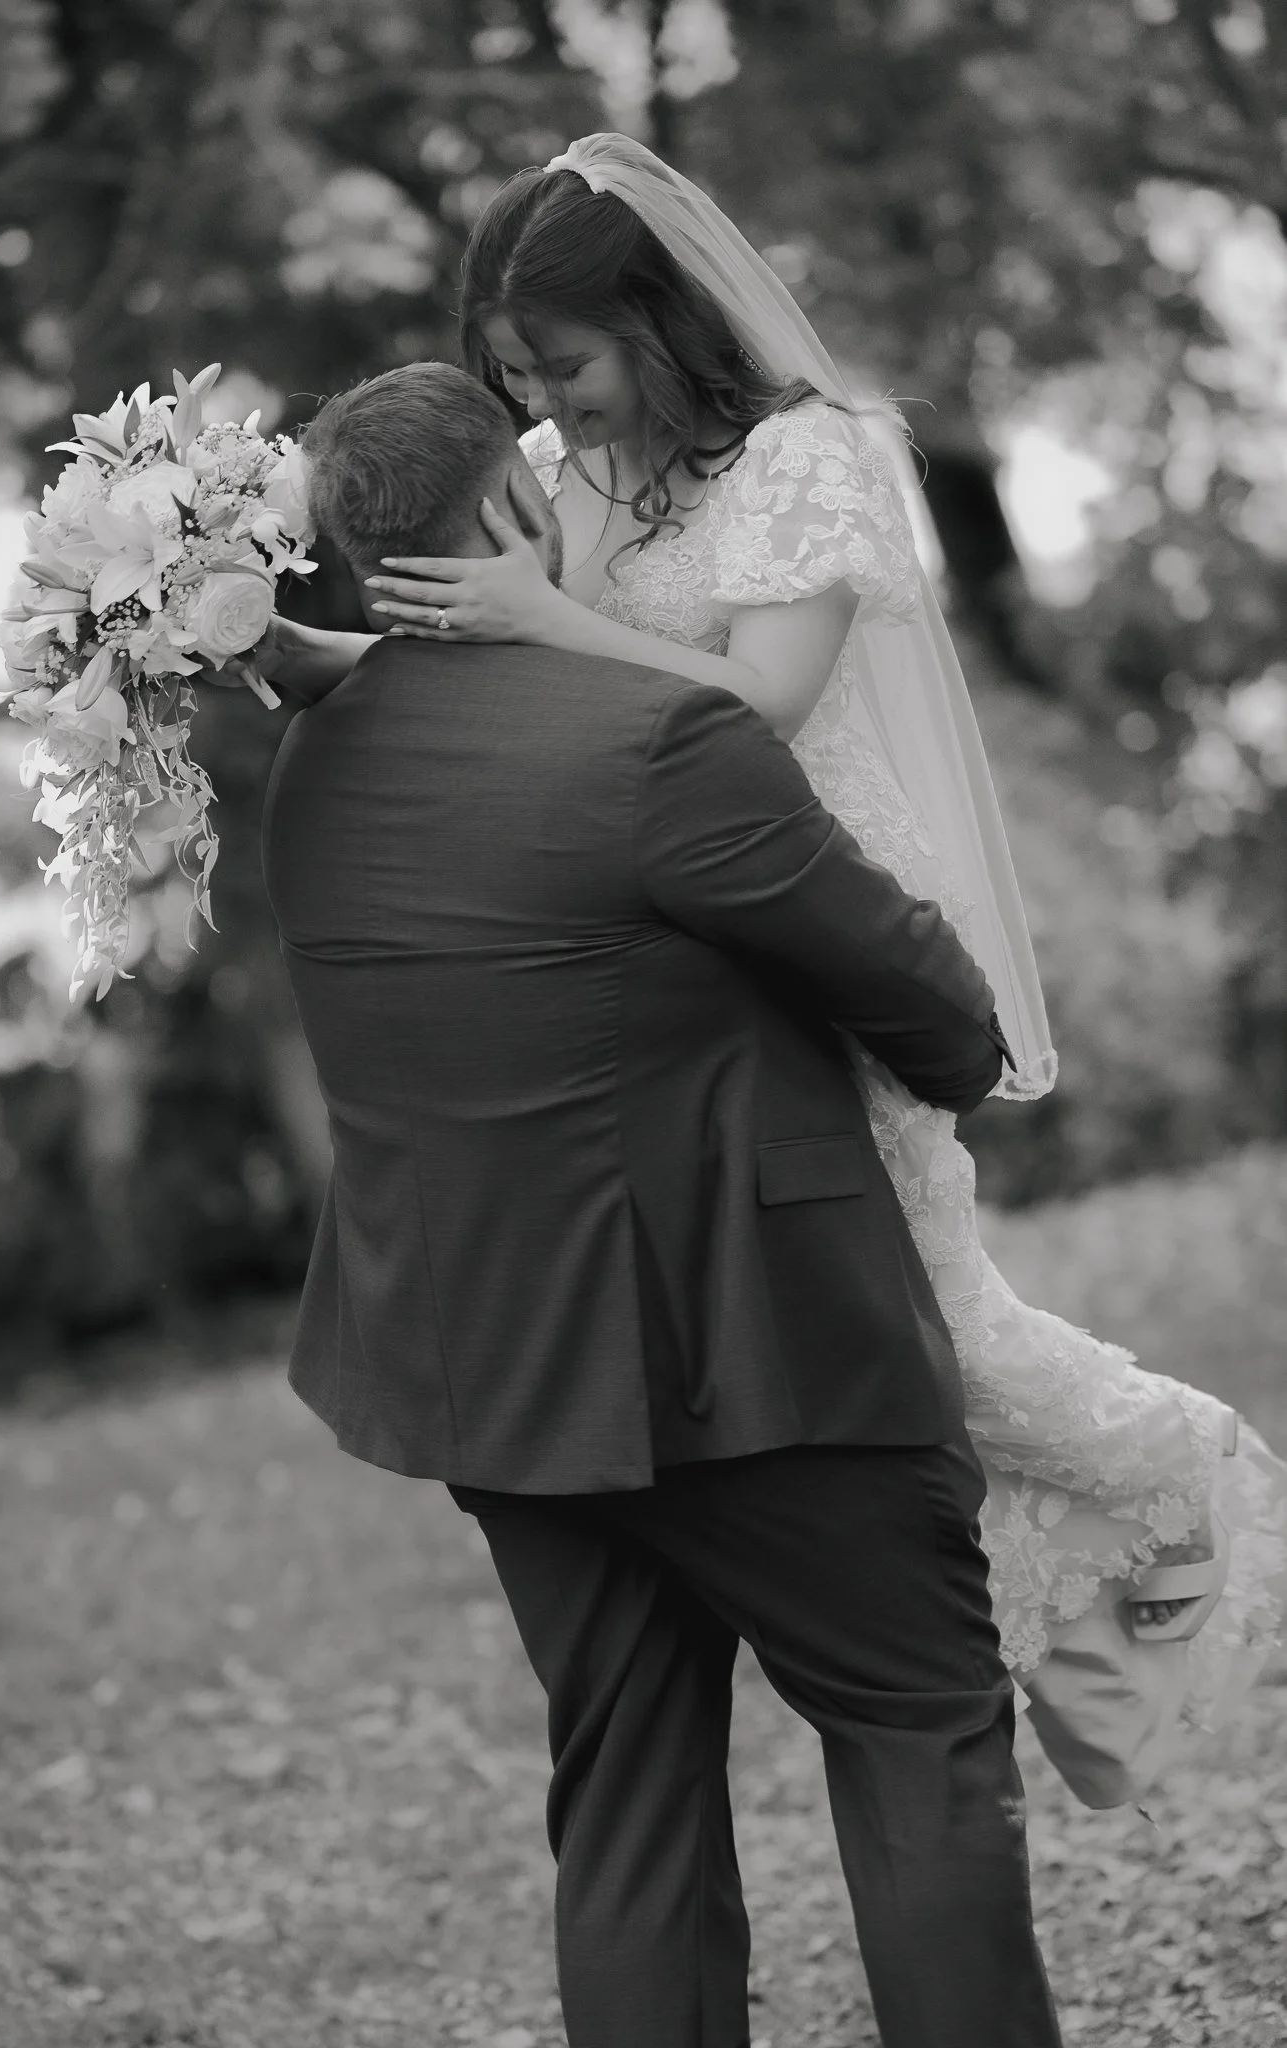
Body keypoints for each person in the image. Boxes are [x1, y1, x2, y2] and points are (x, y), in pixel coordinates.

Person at [259, 134, 1287, 1808]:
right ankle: (1036, 1654)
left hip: (817, 910)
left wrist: (537, 621)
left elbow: (756, 704)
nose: (549, 403)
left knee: (930, 1328)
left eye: (569, 364)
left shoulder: (813, 458)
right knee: (850, 1349)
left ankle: (1189, 1491)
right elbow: (480, 675)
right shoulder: (559, 474)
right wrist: (303, 654)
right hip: (678, 950)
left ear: (660, 321)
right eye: (516, 374)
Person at [261, 358, 1063, 2047]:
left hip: (497, 1377)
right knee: (918, 1725)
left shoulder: (318, 769)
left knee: (624, 1800)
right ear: (513, 511)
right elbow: (939, 1017)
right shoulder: (659, 735)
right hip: (759, 1354)